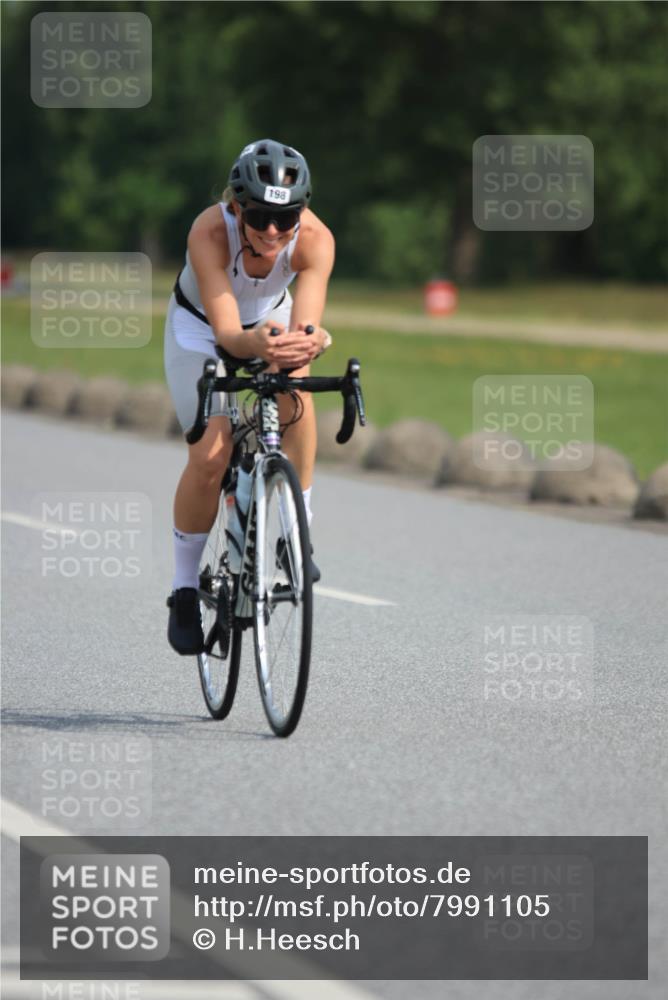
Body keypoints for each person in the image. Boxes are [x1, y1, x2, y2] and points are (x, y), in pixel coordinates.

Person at [164, 139, 334, 655]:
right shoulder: (209, 231)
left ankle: (294, 533)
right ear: (237, 206)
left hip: (268, 324)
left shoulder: (315, 240)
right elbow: (230, 335)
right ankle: (184, 587)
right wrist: (250, 344)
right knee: (211, 453)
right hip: (201, 331)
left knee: (297, 385)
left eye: (288, 219)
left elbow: (305, 321)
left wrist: (311, 338)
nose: (274, 232)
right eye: (260, 216)